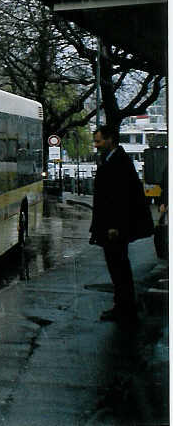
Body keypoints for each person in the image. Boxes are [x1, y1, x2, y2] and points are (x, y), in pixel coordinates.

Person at [89, 124, 151, 322]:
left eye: (98, 141)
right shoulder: (113, 159)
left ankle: (124, 307)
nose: (96, 145)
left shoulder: (117, 162)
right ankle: (123, 305)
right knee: (118, 265)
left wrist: (115, 225)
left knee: (118, 266)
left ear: (110, 140)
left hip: (114, 227)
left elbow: (120, 198)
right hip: (112, 225)